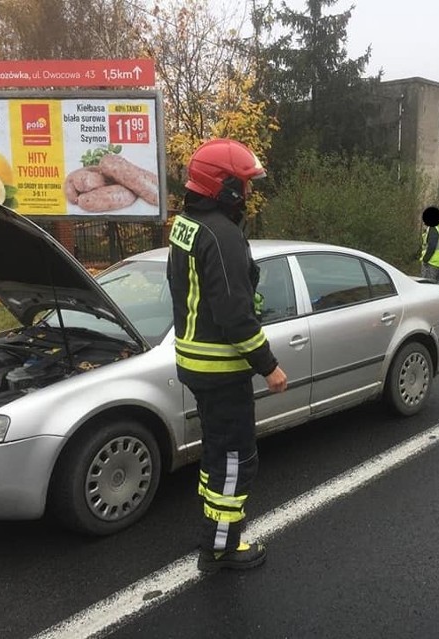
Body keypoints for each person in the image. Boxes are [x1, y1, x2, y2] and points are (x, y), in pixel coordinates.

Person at [166, 138, 288, 572]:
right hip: (222, 369)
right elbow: (234, 316)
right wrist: (269, 365)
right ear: (225, 187)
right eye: (245, 184)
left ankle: (212, 525)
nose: (251, 193)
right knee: (238, 457)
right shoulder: (222, 235)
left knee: (217, 452)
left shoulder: (187, 225)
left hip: (195, 365)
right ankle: (221, 547)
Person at [419, 205, 439, 283]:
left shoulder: (434, 226)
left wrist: (425, 259)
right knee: (438, 288)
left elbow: (432, 245)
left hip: (431, 263)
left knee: (427, 287)